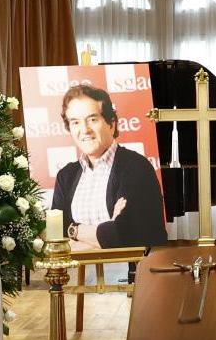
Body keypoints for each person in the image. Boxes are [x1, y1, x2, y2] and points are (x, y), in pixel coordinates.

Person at [50, 83, 169, 252]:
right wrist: (105, 235)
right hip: (80, 269)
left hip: (132, 269)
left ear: (111, 124)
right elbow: (56, 239)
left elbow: (122, 236)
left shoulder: (136, 167)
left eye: (92, 119)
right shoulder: (66, 175)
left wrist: (74, 230)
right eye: (75, 122)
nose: (84, 130)